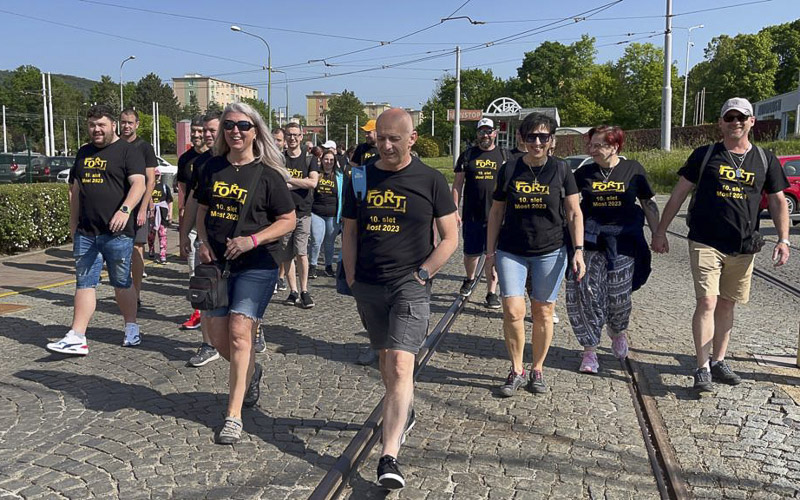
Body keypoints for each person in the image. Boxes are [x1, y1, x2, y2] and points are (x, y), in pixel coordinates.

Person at [342, 108, 458, 489]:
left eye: (395, 138)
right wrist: (352, 274)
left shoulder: (431, 180)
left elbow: (450, 237)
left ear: (412, 139)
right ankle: (404, 411)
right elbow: (350, 231)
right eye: (381, 138)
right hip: (370, 285)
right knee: (386, 361)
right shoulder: (359, 176)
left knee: (402, 364)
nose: (387, 146)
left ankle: (388, 455)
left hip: (410, 284)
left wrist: (425, 273)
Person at [652, 97, 791, 392]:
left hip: (743, 245)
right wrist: (661, 231)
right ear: (721, 122)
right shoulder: (705, 155)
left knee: (727, 304)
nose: (735, 123)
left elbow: (779, 201)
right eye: (729, 118)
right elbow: (678, 194)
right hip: (705, 240)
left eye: (742, 117)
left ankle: (719, 360)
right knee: (707, 301)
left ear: (752, 122)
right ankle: (701, 367)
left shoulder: (766, 159)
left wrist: (784, 239)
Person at [195, 102, 296, 444]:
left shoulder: (269, 174)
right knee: (218, 336)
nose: (235, 131)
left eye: (243, 125)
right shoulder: (212, 167)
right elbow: (202, 210)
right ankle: (251, 371)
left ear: (256, 131)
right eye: (229, 126)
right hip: (217, 264)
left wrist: (253, 239)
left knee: (240, 333)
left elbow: (288, 220)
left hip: (257, 264)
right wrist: (202, 242)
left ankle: (233, 415)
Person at [486, 112, 586, 397]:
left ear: (552, 140)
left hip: (551, 250)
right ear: (522, 139)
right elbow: (496, 212)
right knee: (513, 311)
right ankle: (516, 369)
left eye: (543, 137)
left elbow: (574, 212)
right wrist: (490, 253)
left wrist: (578, 251)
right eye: (532, 137)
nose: (537, 142)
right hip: (511, 250)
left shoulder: (562, 170)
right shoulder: (509, 169)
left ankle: (537, 368)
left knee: (543, 312)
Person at [46, 104, 146, 356]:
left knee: (121, 282)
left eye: (101, 124)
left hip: (117, 233)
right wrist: (73, 223)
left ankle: (131, 327)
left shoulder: (127, 151)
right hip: (87, 232)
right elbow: (76, 190)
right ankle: (77, 336)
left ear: (113, 125)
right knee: (85, 282)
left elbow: (139, 184)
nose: (96, 129)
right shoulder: (83, 153)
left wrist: (125, 210)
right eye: (92, 125)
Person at [567, 125, 660, 373]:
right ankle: (589, 352)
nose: (592, 150)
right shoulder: (584, 173)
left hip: (625, 243)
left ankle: (617, 330)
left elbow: (648, 202)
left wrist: (658, 233)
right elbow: (571, 207)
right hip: (591, 241)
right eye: (591, 145)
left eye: (598, 145)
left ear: (615, 147)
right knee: (587, 294)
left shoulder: (633, 169)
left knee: (618, 298)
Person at [179, 111, 224, 367]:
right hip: (205, 237)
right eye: (204, 130)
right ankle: (208, 345)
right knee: (205, 292)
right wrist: (185, 233)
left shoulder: (239, 158)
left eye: (212, 130)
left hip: (238, 240)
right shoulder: (201, 163)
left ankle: (255, 331)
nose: (207, 135)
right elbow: (193, 199)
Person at [451, 117, 503, 308]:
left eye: (489, 131)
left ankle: (491, 292)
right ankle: (470, 278)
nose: (485, 135)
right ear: (477, 134)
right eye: (482, 131)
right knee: (470, 253)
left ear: (495, 134)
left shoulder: (503, 156)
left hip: (497, 216)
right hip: (472, 213)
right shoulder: (467, 156)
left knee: (493, 254)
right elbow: (457, 185)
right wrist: (454, 210)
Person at [119, 109, 158, 309]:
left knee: (136, 248)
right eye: (123, 122)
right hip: (116, 206)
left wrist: (143, 208)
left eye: (130, 122)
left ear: (137, 124)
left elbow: (150, 181)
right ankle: (122, 292)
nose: (126, 126)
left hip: (137, 207)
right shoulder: (114, 146)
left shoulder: (144, 147)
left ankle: (136, 294)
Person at [280, 122, 319, 309]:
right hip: (284, 213)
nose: (292, 138)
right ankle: (293, 291)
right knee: (286, 254)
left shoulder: (310, 158)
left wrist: (289, 180)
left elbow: (313, 183)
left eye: (296, 135)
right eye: (289, 135)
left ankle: (304, 290)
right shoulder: (280, 159)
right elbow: (277, 185)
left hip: (303, 212)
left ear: (302, 137)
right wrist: (299, 183)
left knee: (301, 252)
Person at [176, 116, 207, 330]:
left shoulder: (217, 158)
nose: (196, 135)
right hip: (192, 221)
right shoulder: (185, 159)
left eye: (200, 131)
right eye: (193, 131)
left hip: (211, 222)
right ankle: (198, 312)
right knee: (193, 270)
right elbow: (184, 193)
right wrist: (182, 229)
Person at [308, 150, 343, 279]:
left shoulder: (339, 176)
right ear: (321, 161)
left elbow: (342, 195)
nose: (328, 162)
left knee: (330, 242)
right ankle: (313, 266)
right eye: (326, 159)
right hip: (317, 212)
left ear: (335, 162)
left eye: (331, 160)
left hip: (333, 214)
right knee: (316, 240)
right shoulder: (316, 175)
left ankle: (328, 266)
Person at [147, 167, 173, 264]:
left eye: (158, 176)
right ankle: (151, 249)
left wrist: (170, 213)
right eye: (155, 176)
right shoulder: (148, 186)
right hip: (152, 214)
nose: (157, 178)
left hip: (162, 213)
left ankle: (163, 255)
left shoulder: (165, 187)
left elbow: (169, 201)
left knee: (163, 234)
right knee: (151, 235)